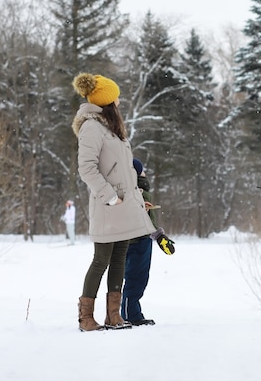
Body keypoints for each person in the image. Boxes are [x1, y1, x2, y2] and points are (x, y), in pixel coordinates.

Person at [71, 72, 156, 332]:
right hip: (109, 205)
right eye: (116, 98)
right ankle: (86, 318)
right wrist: (109, 196)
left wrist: (138, 197)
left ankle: (113, 315)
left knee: (119, 258)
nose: (119, 102)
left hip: (126, 204)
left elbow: (124, 169)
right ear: (107, 101)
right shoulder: (91, 126)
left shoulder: (112, 128)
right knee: (101, 260)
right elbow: (86, 168)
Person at [121, 158, 171, 326]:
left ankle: (125, 312)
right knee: (136, 279)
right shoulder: (140, 191)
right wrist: (158, 236)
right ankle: (131, 314)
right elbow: (148, 221)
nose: (145, 173)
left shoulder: (125, 189)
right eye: (142, 171)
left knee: (129, 279)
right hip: (140, 241)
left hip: (127, 239)